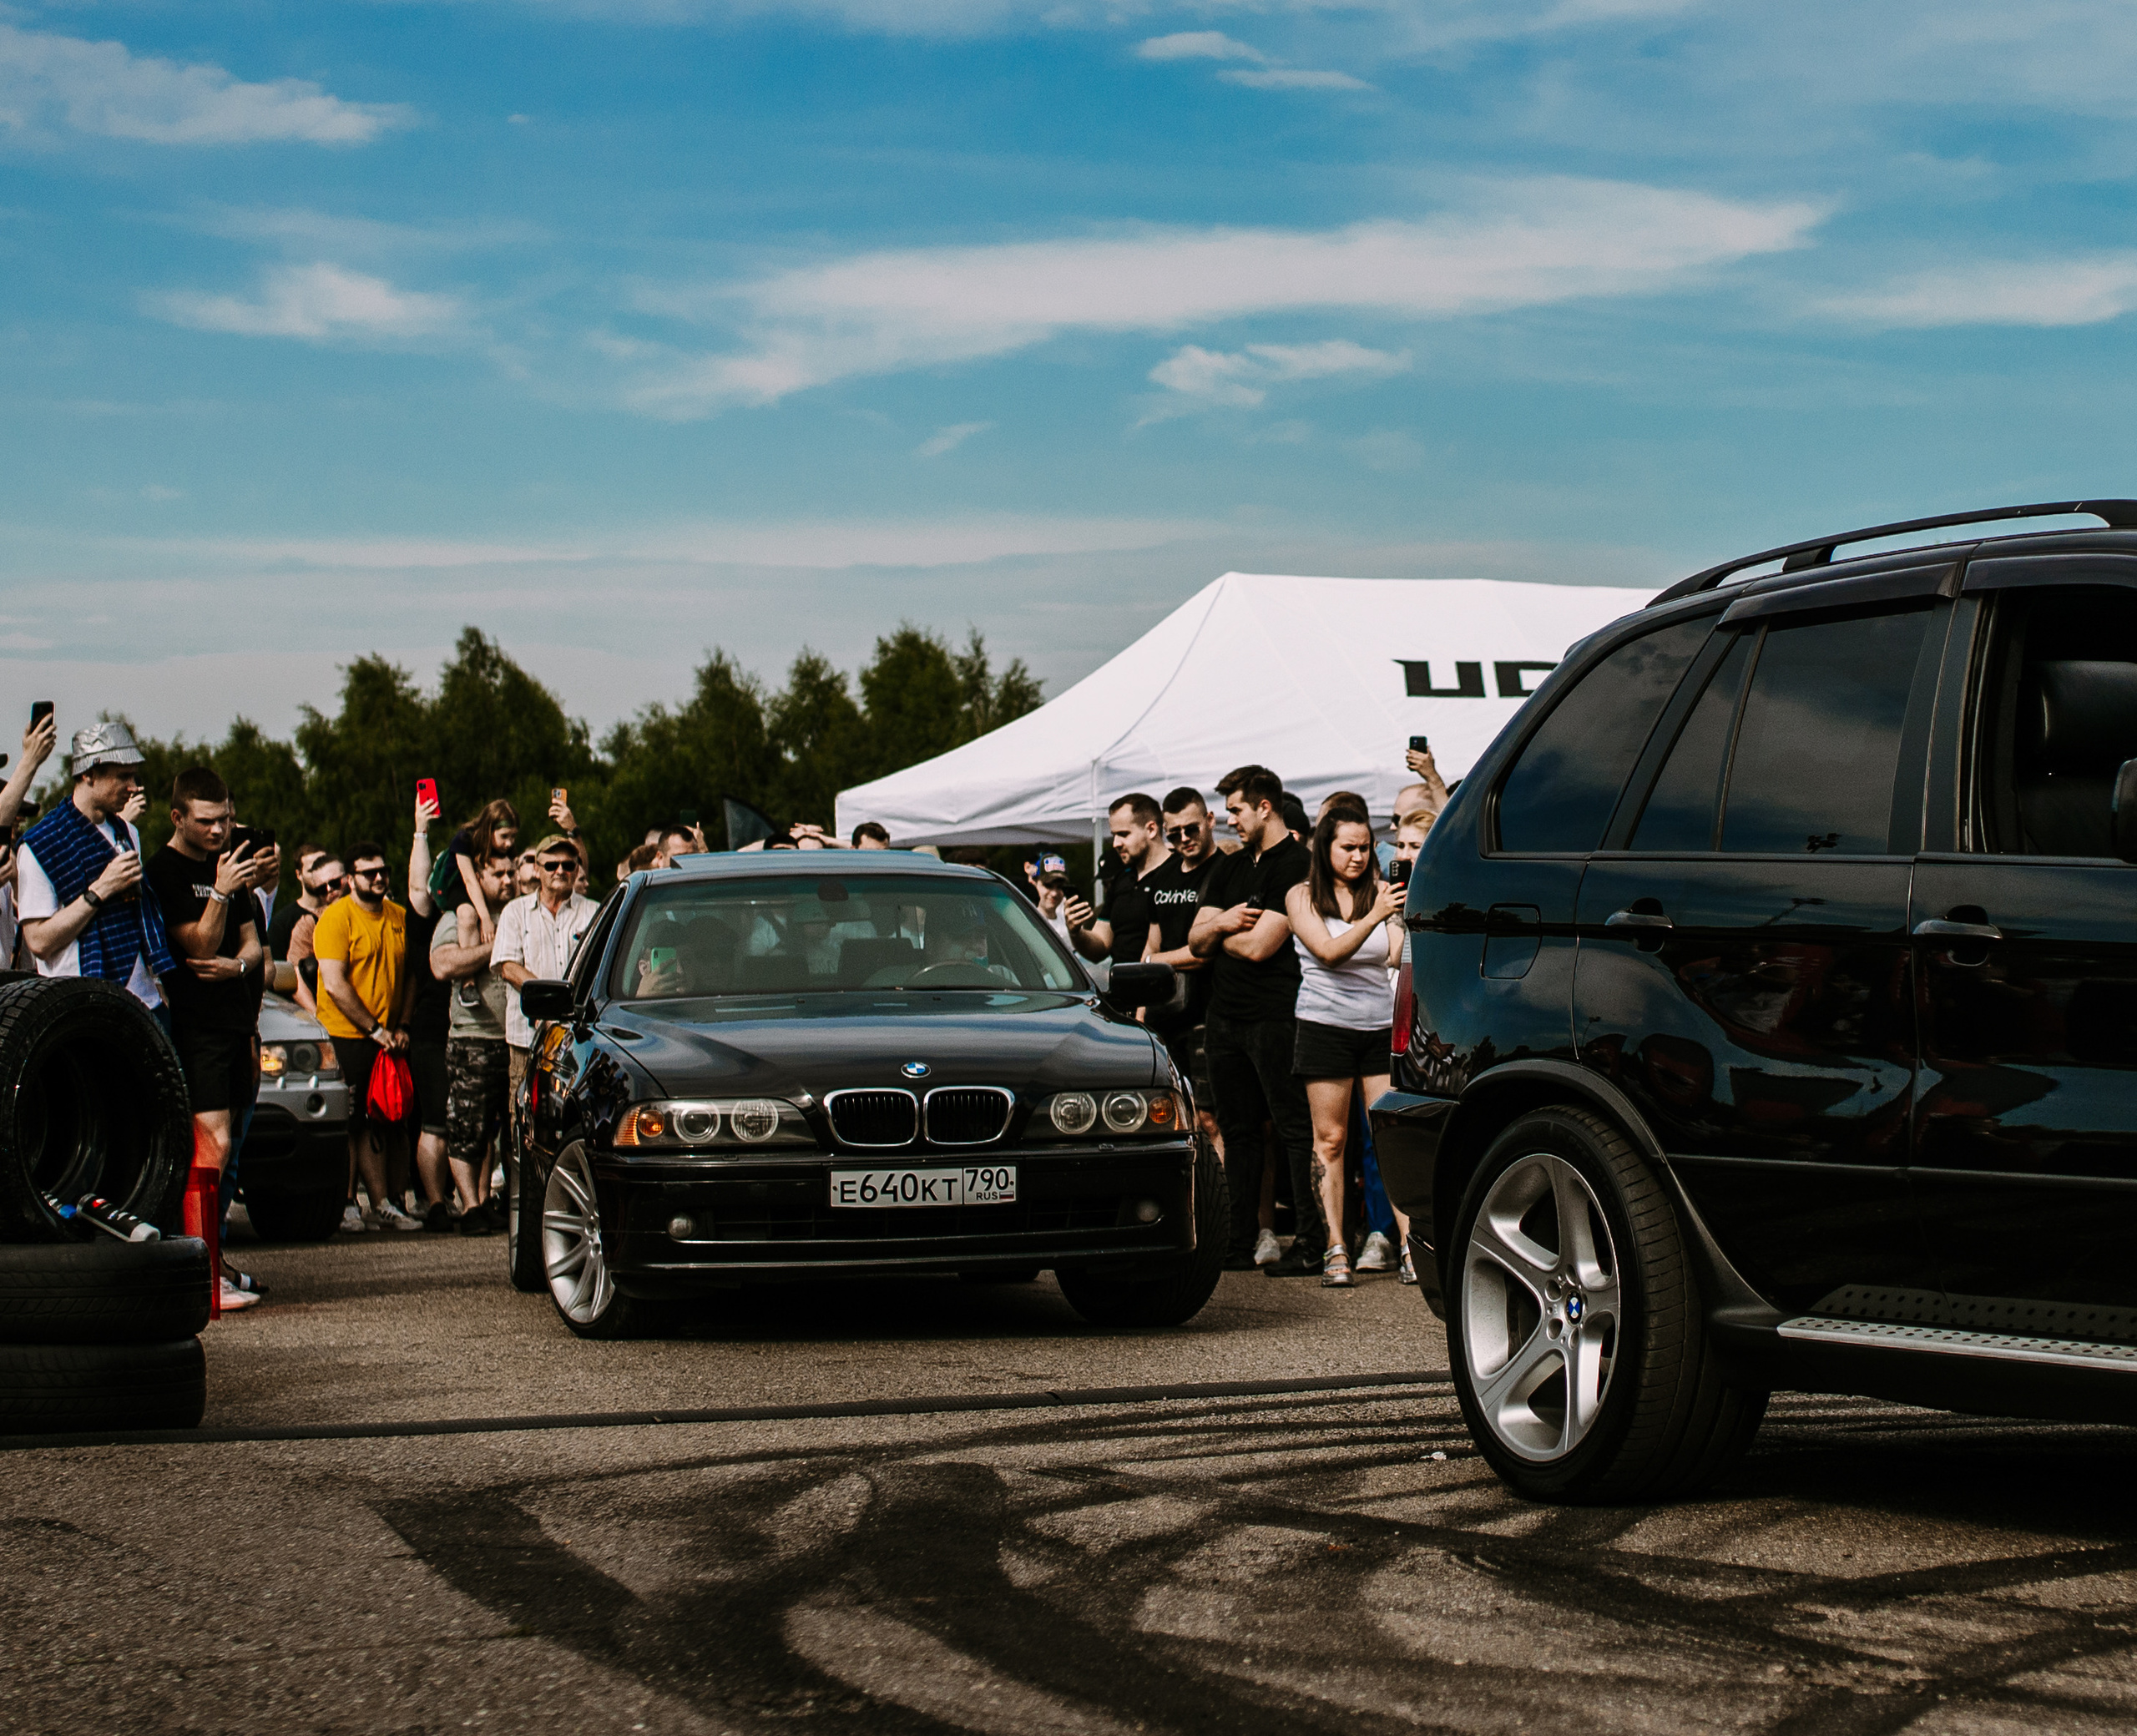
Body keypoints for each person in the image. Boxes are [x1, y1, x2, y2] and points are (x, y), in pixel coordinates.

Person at [146, 767, 277, 1313]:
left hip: (236, 1025)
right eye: (207, 821)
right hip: (194, 1026)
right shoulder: (166, 871)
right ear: (178, 817)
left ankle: (212, 1260)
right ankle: (194, 1269)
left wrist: (238, 969)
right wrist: (221, 892)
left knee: (233, 1152)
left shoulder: (228, 863)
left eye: (226, 818)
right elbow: (197, 943)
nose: (221, 831)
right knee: (211, 1147)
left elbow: (253, 949)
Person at [1188, 765, 1322, 1275]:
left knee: (1294, 1128)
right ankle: (1237, 1242)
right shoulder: (1230, 866)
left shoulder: (1299, 864)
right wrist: (1224, 923)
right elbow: (1197, 940)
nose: (1230, 822)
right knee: (1237, 1131)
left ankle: (1311, 1243)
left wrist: (1216, 932)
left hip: (1276, 1016)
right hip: (1224, 1018)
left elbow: (1264, 945)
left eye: (1236, 811)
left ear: (1265, 807)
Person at [1284, 805, 1405, 1287]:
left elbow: (1394, 956)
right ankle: (1337, 1245)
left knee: (1389, 1137)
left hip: (1378, 1027)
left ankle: (1409, 1243)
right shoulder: (1301, 896)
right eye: (1347, 847)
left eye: (1365, 847)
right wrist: (1376, 914)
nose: (1358, 857)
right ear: (1323, 848)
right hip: (1324, 1027)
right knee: (1330, 1140)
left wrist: (1398, 920)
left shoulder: (1381, 892)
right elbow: (1329, 954)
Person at [19, 721, 174, 1018]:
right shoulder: (40, 844)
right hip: (82, 1003)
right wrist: (102, 889)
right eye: (123, 777)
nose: (133, 787)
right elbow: (38, 942)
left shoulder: (127, 831)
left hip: (144, 1000)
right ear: (89, 774)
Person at [313, 842, 421, 1233]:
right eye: (369, 873)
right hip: (347, 1035)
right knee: (350, 1122)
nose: (379, 878)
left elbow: (411, 975)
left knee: (389, 1119)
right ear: (350, 879)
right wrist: (374, 1029)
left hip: (390, 1037)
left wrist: (403, 1026)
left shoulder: (399, 916)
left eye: (384, 871)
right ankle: (347, 1203)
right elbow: (336, 984)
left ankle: (386, 1202)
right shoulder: (336, 918)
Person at [430, 848, 514, 1234]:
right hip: (473, 1038)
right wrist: (495, 950)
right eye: (499, 875)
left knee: (497, 1128)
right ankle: (469, 1207)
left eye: (511, 873)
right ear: (479, 878)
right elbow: (443, 965)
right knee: (468, 1126)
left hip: (512, 1037)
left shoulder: (516, 914)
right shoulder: (457, 917)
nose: (508, 881)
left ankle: (484, 1200)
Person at [491, 833, 599, 1112]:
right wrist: (550, 1003)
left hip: (581, 1039)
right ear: (537, 869)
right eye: (551, 865)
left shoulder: (595, 912)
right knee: (522, 1114)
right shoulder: (515, 912)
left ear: (577, 869)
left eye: (568, 864)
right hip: (527, 1040)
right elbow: (507, 966)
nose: (560, 871)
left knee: (574, 1114)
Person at [405, 792, 455, 1230]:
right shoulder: (426, 915)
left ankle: (467, 1200)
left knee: (470, 1121)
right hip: (431, 1027)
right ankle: (435, 1202)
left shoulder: (475, 912)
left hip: (472, 1028)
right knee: (436, 1119)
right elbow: (419, 887)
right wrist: (421, 831)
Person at [1066, 794, 1170, 968]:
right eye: (1114, 835)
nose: (1115, 843)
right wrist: (1076, 933)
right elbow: (1100, 947)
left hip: (1163, 990)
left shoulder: (1178, 873)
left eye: (1123, 834)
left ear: (1151, 829)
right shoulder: (1122, 879)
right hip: (1120, 990)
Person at [432, 799, 518, 935]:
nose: (509, 843)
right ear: (489, 830)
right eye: (504, 836)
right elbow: (470, 880)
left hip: (484, 883)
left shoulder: (503, 846)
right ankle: (471, 950)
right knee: (468, 915)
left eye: (513, 837)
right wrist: (485, 918)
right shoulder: (464, 840)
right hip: (458, 885)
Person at [285, 855, 346, 1018]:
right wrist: (318, 1018)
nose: (329, 890)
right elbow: (296, 977)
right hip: (333, 1018)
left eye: (335, 883)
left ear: (349, 878)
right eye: (321, 889)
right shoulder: (309, 924)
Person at [267, 845, 328, 960]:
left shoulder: (340, 911)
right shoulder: (282, 923)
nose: (319, 875)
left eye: (322, 868)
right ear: (299, 874)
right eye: (311, 870)